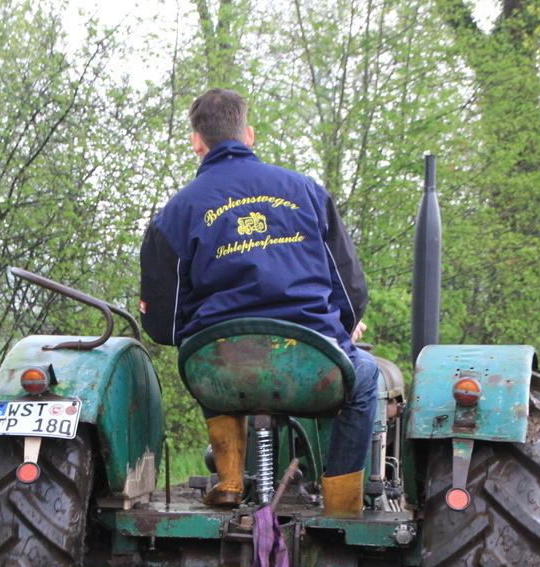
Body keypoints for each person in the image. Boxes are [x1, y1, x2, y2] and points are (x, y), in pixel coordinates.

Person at [139, 88, 379, 517]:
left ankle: (230, 480)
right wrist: (342, 329)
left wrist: (205, 331)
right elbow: (351, 289)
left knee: (206, 347)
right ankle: (343, 508)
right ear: (248, 135)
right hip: (310, 362)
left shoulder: (175, 212)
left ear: (197, 142)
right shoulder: (306, 191)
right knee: (366, 376)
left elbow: (165, 322)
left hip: (220, 369)